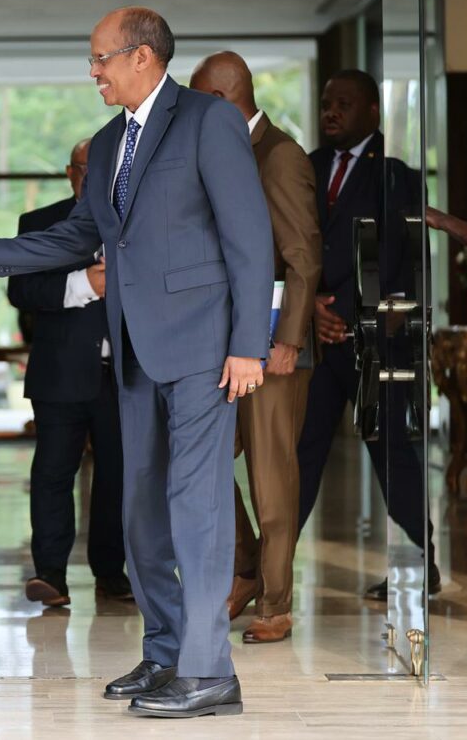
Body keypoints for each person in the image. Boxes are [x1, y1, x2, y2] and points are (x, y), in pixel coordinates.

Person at [0, 6, 274, 719]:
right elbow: (75, 237)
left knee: (197, 507)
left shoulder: (208, 122)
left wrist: (250, 342)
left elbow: (250, 235)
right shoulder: (107, 142)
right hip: (133, 351)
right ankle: (166, 652)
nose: (92, 71)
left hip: (203, 350)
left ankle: (208, 670)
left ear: (142, 57)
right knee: (138, 510)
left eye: (100, 58)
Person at [190, 52, 321, 644]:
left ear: (220, 99)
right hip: (219, 343)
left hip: (273, 346)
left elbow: (302, 256)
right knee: (208, 462)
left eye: (196, 100)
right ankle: (246, 569)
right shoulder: (220, 152)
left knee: (272, 478)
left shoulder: (280, 154)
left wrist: (288, 340)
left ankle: (276, 603)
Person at [295, 69, 438, 599]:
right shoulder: (307, 167)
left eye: (344, 104)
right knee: (300, 455)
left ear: (373, 112)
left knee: (392, 454)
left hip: (375, 344)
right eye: (326, 103)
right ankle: (271, 573)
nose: (331, 112)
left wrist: (377, 317)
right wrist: (309, 308)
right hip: (317, 340)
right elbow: (289, 243)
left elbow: (411, 261)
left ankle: (425, 560)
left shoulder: (396, 175)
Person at [7, 138, 132, 608]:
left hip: (123, 373)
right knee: (53, 473)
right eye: (85, 168)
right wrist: (83, 284)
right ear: (70, 173)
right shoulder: (39, 223)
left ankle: (111, 573)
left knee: (118, 477)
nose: (94, 177)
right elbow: (21, 292)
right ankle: (51, 575)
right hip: (60, 372)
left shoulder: (133, 219)